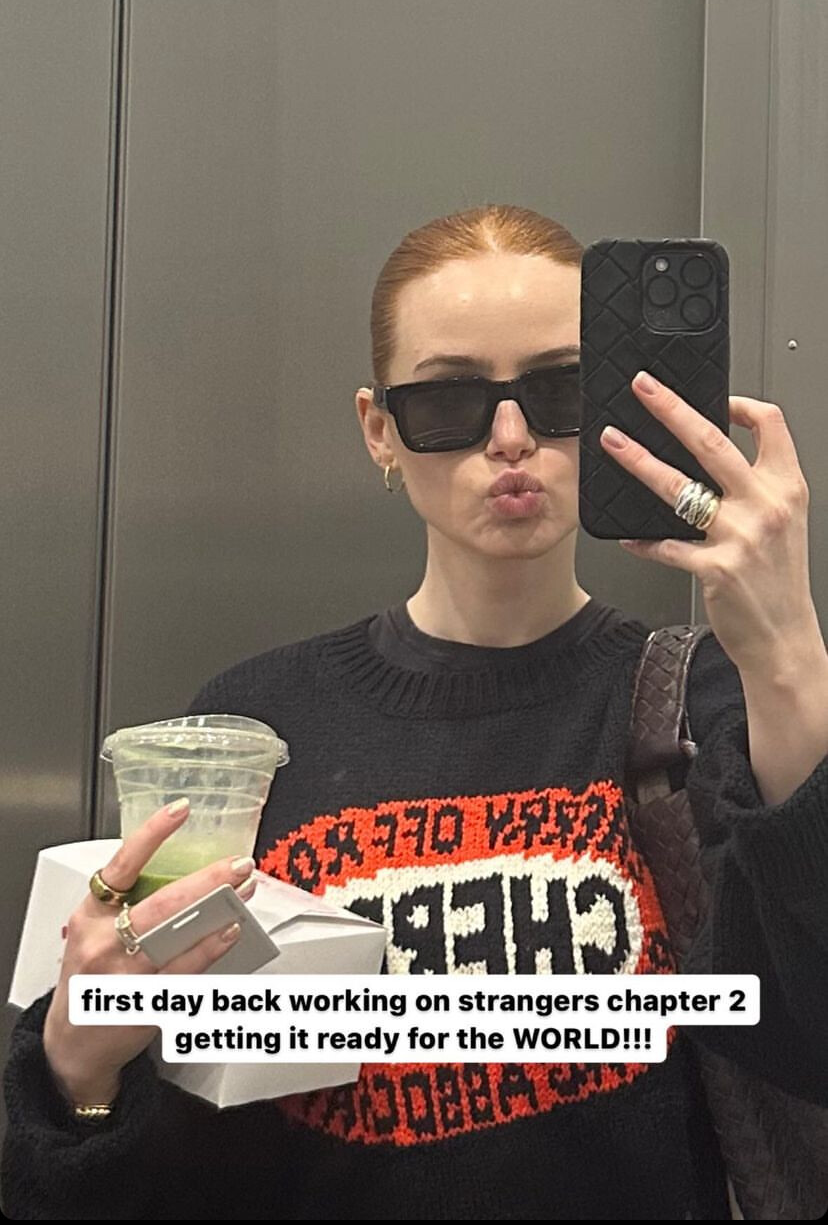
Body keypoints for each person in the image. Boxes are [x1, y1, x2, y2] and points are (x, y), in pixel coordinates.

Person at [3, 204, 827, 1221]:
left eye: (560, 392)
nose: (511, 438)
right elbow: (174, 1150)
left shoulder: (708, 709)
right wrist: (79, 1068)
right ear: (378, 429)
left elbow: (808, 1037)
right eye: (447, 401)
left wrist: (789, 657)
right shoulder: (255, 729)